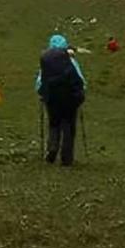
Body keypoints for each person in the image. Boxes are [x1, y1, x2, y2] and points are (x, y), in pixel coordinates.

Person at [35, 34, 86, 166]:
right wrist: (80, 92)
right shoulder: (70, 61)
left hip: (52, 99)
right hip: (70, 100)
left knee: (54, 124)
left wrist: (42, 94)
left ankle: (52, 149)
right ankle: (66, 158)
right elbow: (79, 80)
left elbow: (40, 82)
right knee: (68, 127)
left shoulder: (47, 62)